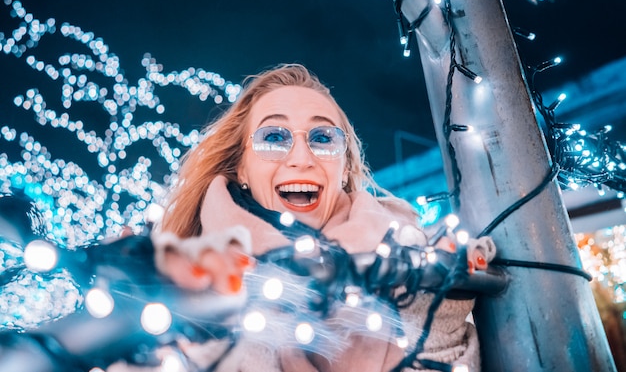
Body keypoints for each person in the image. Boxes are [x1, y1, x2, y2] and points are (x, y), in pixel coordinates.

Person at [150, 63, 496, 372]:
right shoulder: (185, 284)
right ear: (242, 167)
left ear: (344, 167)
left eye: (322, 138)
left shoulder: (412, 253)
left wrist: (436, 316)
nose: (302, 157)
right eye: (273, 136)